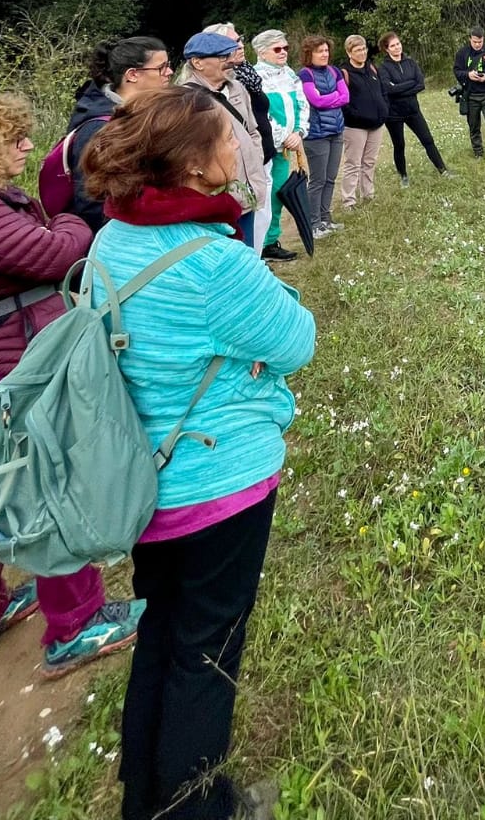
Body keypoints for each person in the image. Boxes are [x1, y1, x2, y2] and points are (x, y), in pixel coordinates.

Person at [81, 86, 315, 820]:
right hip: (218, 485)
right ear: (194, 162)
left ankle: (143, 798)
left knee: (162, 636)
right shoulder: (214, 264)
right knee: (207, 655)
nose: (238, 148)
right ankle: (195, 806)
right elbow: (297, 340)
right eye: (226, 139)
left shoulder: (112, 239)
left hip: (146, 479)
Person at [0, 92, 143, 677]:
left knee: (1, 482)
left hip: (11, 350)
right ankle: (77, 623)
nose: (24, 145)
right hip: (15, 358)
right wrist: (64, 219)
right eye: (9, 136)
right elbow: (61, 246)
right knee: (47, 479)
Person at [64, 36, 172, 230]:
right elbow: (91, 201)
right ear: (132, 75)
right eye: (161, 68)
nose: (170, 72)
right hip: (115, 241)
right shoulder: (99, 128)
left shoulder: (137, 114)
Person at [176, 32, 266, 249]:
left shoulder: (237, 88)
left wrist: (255, 161)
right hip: (218, 200)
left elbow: (253, 130)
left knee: (250, 252)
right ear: (197, 62)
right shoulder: (185, 101)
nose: (231, 62)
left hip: (249, 191)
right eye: (222, 57)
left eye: (230, 55)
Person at [204, 24, 276, 258]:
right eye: (232, 43)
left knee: (260, 218)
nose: (240, 45)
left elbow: (253, 124)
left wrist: (256, 152)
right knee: (240, 232)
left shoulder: (244, 77)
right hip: (232, 171)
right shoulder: (201, 92)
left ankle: (259, 260)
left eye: (240, 39)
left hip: (257, 159)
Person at [252, 29, 309, 262]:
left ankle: (271, 242)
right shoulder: (255, 77)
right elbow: (260, 114)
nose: (283, 52)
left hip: (288, 146)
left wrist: (299, 132)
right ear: (261, 51)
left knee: (279, 194)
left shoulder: (289, 74)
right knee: (265, 197)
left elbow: (302, 104)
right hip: (268, 148)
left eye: (285, 48)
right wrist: (282, 136)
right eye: (278, 49)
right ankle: (259, 245)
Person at [376, 34, 452, 187]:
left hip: (413, 110)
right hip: (394, 114)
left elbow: (421, 84)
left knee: (428, 140)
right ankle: (403, 176)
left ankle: (443, 170)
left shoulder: (410, 62)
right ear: (386, 49)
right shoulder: (383, 68)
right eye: (393, 46)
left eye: (398, 44)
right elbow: (388, 89)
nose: (397, 47)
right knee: (399, 145)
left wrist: (401, 88)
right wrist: (410, 84)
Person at [297, 36, 349, 237]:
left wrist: (329, 98)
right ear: (310, 54)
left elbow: (346, 97)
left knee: (331, 178)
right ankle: (314, 224)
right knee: (318, 180)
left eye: (326, 50)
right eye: (320, 51)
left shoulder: (334, 71)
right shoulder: (305, 74)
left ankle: (326, 219)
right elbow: (315, 101)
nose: (324, 54)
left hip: (336, 130)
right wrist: (333, 97)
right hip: (317, 135)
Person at [340, 36, 387, 205]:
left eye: (364, 49)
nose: (362, 53)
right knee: (353, 163)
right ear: (349, 52)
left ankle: (368, 194)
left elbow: (383, 91)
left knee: (370, 161)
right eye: (357, 50)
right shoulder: (344, 73)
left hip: (376, 124)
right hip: (355, 127)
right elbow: (343, 102)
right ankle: (349, 200)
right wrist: (354, 116)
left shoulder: (372, 68)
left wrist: (384, 109)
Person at [453, 28, 485, 157]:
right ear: (470, 39)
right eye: (475, 41)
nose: (477, 44)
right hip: (470, 96)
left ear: (483, 39)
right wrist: (468, 75)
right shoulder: (462, 53)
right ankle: (478, 153)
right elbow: (457, 71)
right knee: (474, 127)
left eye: (480, 41)